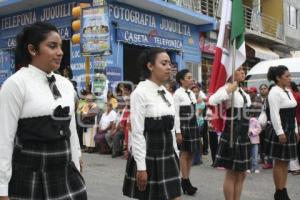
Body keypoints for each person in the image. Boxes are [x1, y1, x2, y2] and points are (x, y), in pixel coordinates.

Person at [0, 22, 87, 200]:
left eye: (60, 46)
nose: (60, 52)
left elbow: (71, 132)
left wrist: (76, 163)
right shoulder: (16, 84)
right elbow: (4, 139)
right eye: (52, 46)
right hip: (28, 174)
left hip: (65, 173)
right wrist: (2, 188)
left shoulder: (66, 84)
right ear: (33, 50)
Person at [123, 48, 181, 200]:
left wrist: (176, 154)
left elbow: (171, 128)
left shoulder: (167, 93)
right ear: (150, 66)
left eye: (170, 63)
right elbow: (137, 133)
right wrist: (141, 167)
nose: (169, 67)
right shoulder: (140, 93)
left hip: (168, 154)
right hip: (149, 156)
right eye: (164, 63)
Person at [209, 67, 251, 200]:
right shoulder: (228, 87)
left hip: (244, 133)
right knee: (232, 172)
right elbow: (212, 101)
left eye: (244, 70)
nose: (243, 72)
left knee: (241, 173)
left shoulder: (241, 90)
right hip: (233, 132)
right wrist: (228, 90)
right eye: (239, 69)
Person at [265, 65, 300, 199]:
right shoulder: (274, 92)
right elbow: (274, 115)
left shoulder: (288, 90)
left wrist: (296, 130)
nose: (290, 78)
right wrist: (280, 132)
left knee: (285, 162)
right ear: (278, 78)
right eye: (287, 76)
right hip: (281, 129)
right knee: (279, 162)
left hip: (290, 127)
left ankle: (282, 189)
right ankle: (279, 192)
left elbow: (293, 113)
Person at [174, 69, 200, 195]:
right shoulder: (177, 94)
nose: (191, 80)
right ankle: (184, 180)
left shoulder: (190, 92)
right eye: (188, 78)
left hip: (193, 124)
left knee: (191, 153)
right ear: (181, 80)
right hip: (184, 126)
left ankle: (186, 179)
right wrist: (178, 132)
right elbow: (176, 115)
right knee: (184, 154)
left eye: (191, 77)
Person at [191, 83, 205, 165]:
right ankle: (196, 159)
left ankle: (197, 159)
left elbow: (197, 114)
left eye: (196, 92)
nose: (195, 93)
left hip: (199, 123)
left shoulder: (201, 102)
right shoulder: (192, 100)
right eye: (193, 92)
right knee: (196, 141)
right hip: (193, 123)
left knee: (197, 141)